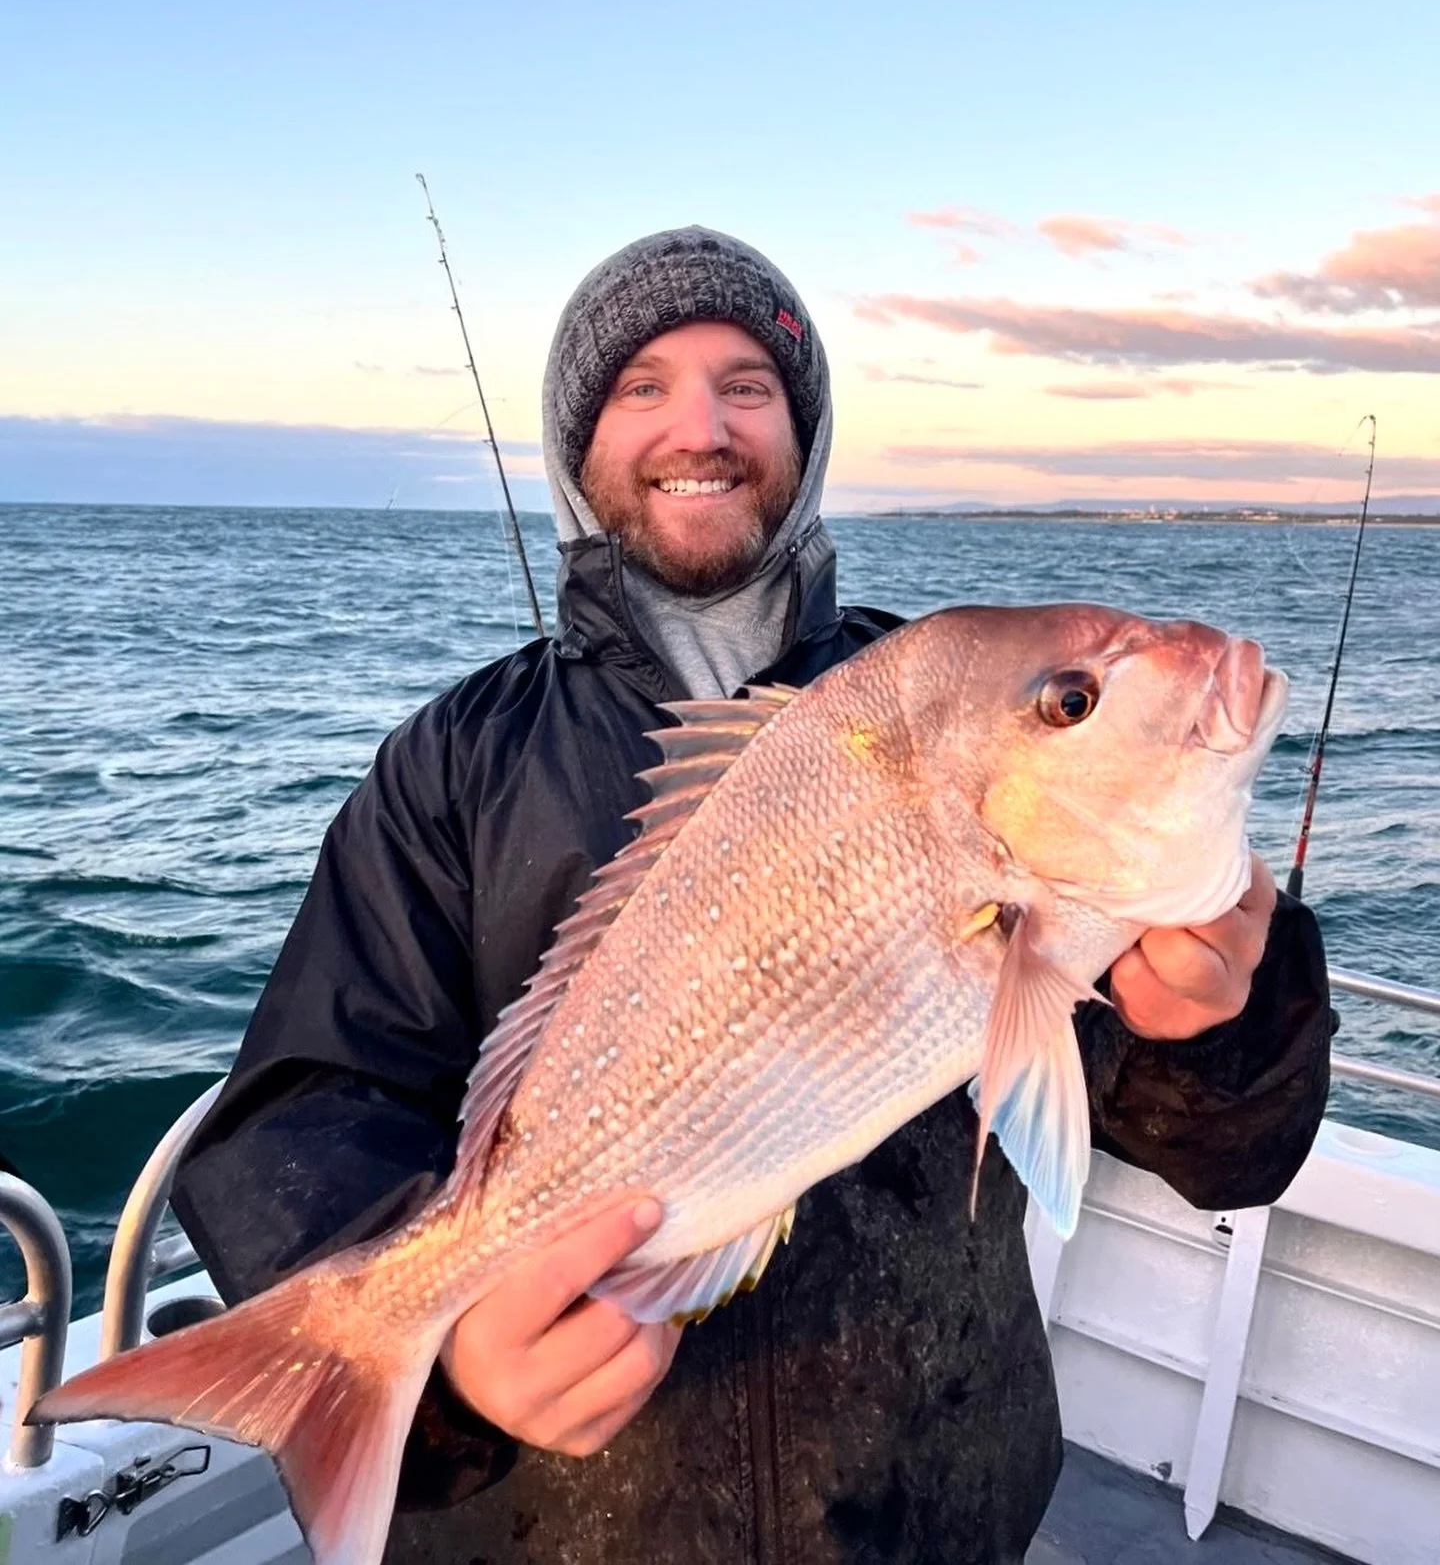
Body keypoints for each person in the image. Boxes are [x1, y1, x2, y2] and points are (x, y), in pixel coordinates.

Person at [172, 227, 1331, 1565]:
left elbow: (1233, 1156)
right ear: (579, 443)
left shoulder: (947, 707)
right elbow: (298, 1122)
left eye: (749, 383)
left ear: (803, 432)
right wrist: (448, 1376)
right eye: (641, 386)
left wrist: (1220, 1027)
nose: (701, 425)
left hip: (933, 1509)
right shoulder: (454, 765)